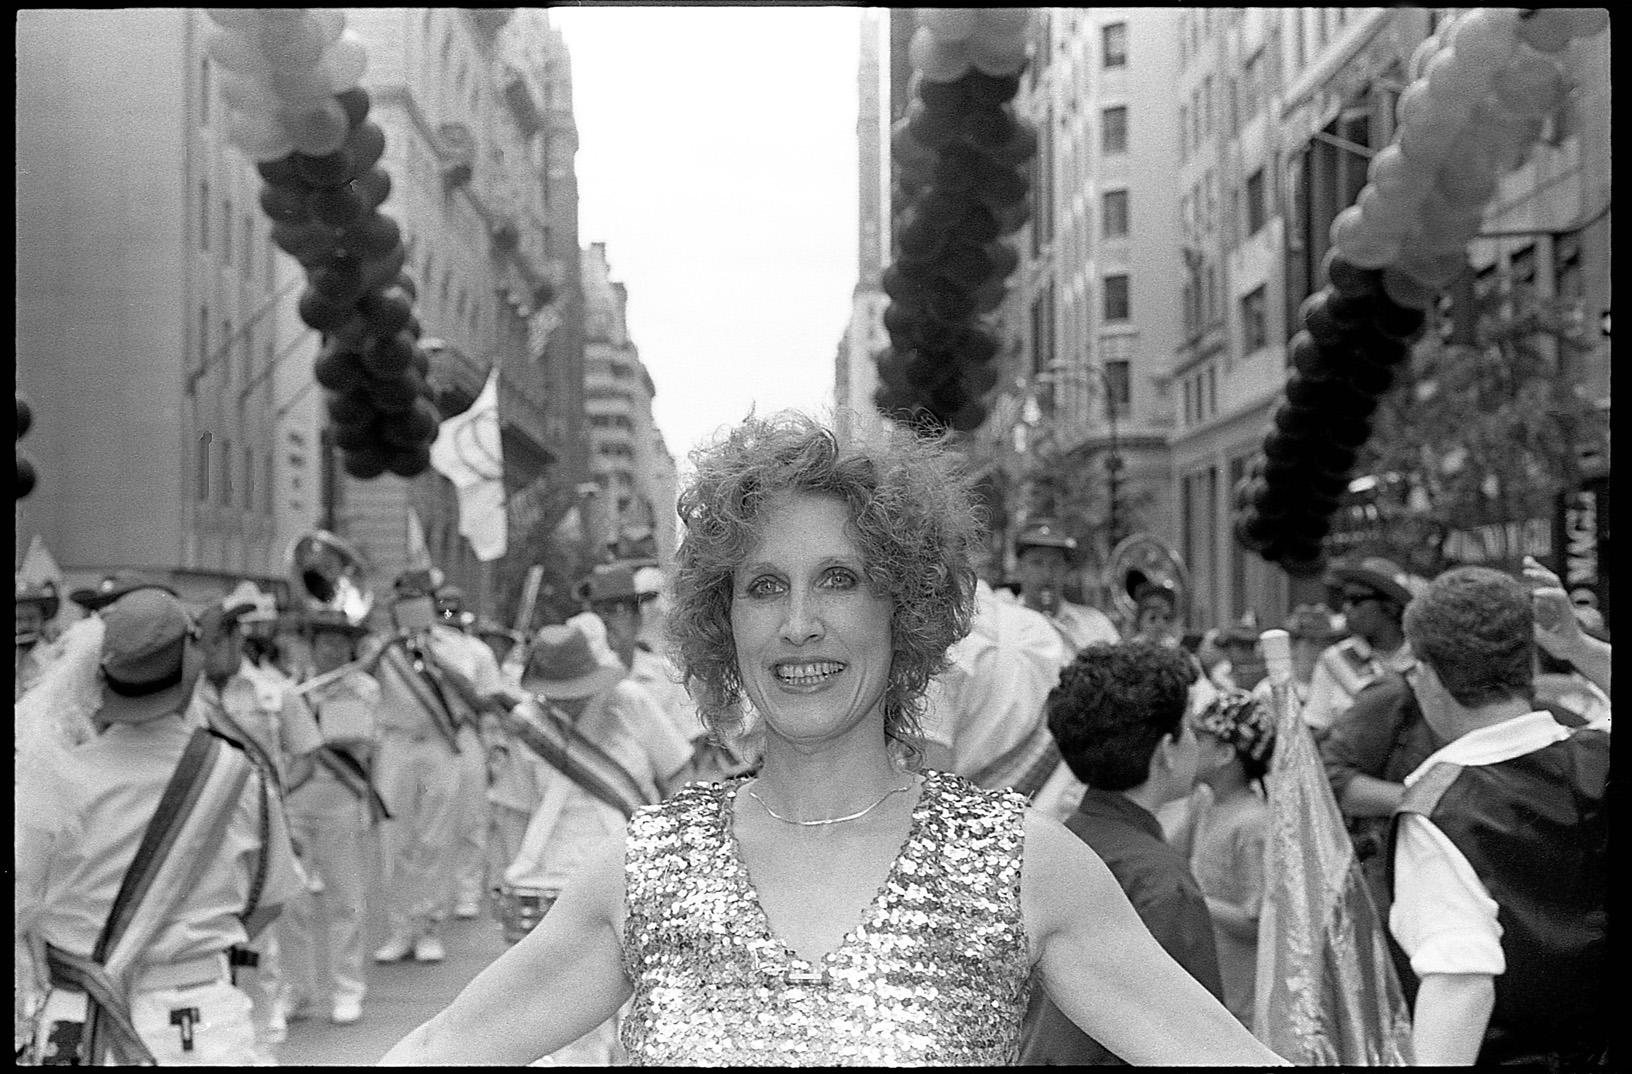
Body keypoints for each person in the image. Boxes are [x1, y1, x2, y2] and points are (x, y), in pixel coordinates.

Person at [381, 411, 1283, 1066]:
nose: (800, 624)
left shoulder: (1023, 867)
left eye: (840, 580)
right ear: (722, 622)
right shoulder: (646, 871)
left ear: (906, 609)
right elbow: (441, 1048)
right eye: (764, 586)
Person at [14, 588, 302, 1064]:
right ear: (190, 675)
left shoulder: (52, 777)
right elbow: (268, 902)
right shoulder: (238, 776)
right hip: (203, 1018)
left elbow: (22, 902)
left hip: (81, 1020)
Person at [1390, 567, 1609, 1066]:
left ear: (1428, 676)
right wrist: (1578, 646)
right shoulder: (1599, 753)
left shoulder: (1439, 808)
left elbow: (1460, 982)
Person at [495, 613, 691, 1064]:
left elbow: (680, 775)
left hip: (630, 868)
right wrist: (510, 879)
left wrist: (680, 863)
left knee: (641, 1009)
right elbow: (513, 811)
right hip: (553, 877)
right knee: (566, 1015)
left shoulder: (631, 702)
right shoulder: (530, 724)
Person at [1020, 640, 1226, 1064]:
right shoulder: (1160, 883)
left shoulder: (1045, 849)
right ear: (1167, 752)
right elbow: (1197, 1044)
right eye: (1187, 727)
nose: (1193, 742)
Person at [186, 584, 323, 1053]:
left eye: (216, 645)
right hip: (202, 833)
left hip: (261, 827)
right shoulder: (185, 700)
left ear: (235, 641)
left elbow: (306, 754)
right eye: (201, 648)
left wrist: (271, 800)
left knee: (264, 936)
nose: (209, 657)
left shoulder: (274, 691)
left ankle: (265, 1042)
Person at [367, 573, 503, 965]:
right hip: (396, 745)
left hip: (442, 745)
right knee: (395, 840)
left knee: (435, 838)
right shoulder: (381, 649)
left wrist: (434, 660)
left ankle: (427, 925)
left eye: (417, 598)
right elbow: (357, 678)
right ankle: (400, 928)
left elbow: (479, 701)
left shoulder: (456, 647)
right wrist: (387, 646)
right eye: (402, 599)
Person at [278, 607, 385, 1029]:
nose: (332, 650)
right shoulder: (292, 688)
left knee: (346, 899)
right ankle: (299, 989)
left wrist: (323, 706)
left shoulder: (364, 689)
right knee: (292, 902)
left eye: (340, 643)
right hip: (297, 800)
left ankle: (346, 988)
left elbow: (355, 738)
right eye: (324, 642)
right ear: (312, 645)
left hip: (342, 798)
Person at [1172, 688, 1275, 1029]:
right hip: (1204, 983)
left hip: (1239, 1002)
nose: (1190, 745)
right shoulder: (1204, 802)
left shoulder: (1253, 825)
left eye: (1201, 738)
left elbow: (1257, 923)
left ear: (1225, 754)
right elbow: (1174, 858)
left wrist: (1192, 896)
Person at [576, 561, 726, 790]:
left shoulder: (669, 677)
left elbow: (696, 760)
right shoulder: (573, 680)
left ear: (637, 620)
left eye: (617, 610)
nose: (606, 622)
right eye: (597, 611)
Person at [919, 575, 1073, 796]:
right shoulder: (1038, 626)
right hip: (1056, 802)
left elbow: (930, 786)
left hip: (968, 815)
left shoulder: (937, 645)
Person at [431, 583, 497, 923]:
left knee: (472, 819)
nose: (447, 613)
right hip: (430, 742)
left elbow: (489, 701)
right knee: (432, 825)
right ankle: (434, 900)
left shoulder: (479, 652)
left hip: (465, 735)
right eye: (442, 606)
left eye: (453, 607)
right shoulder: (418, 647)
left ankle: (468, 891)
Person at [1301, 556, 1419, 734]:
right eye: (1344, 599)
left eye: (1356, 600)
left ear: (1391, 606)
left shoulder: (1422, 657)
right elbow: (1315, 726)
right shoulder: (1334, 659)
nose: (1346, 608)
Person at [1013, 518, 1120, 653]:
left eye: (1055, 564)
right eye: (1037, 563)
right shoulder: (1003, 624)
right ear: (1019, 567)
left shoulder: (1096, 625)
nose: (1047, 574)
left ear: (1066, 569)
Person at [15, 577, 61, 701]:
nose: (24, 626)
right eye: (17, 619)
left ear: (42, 619)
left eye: (32, 618)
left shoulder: (57, 657)